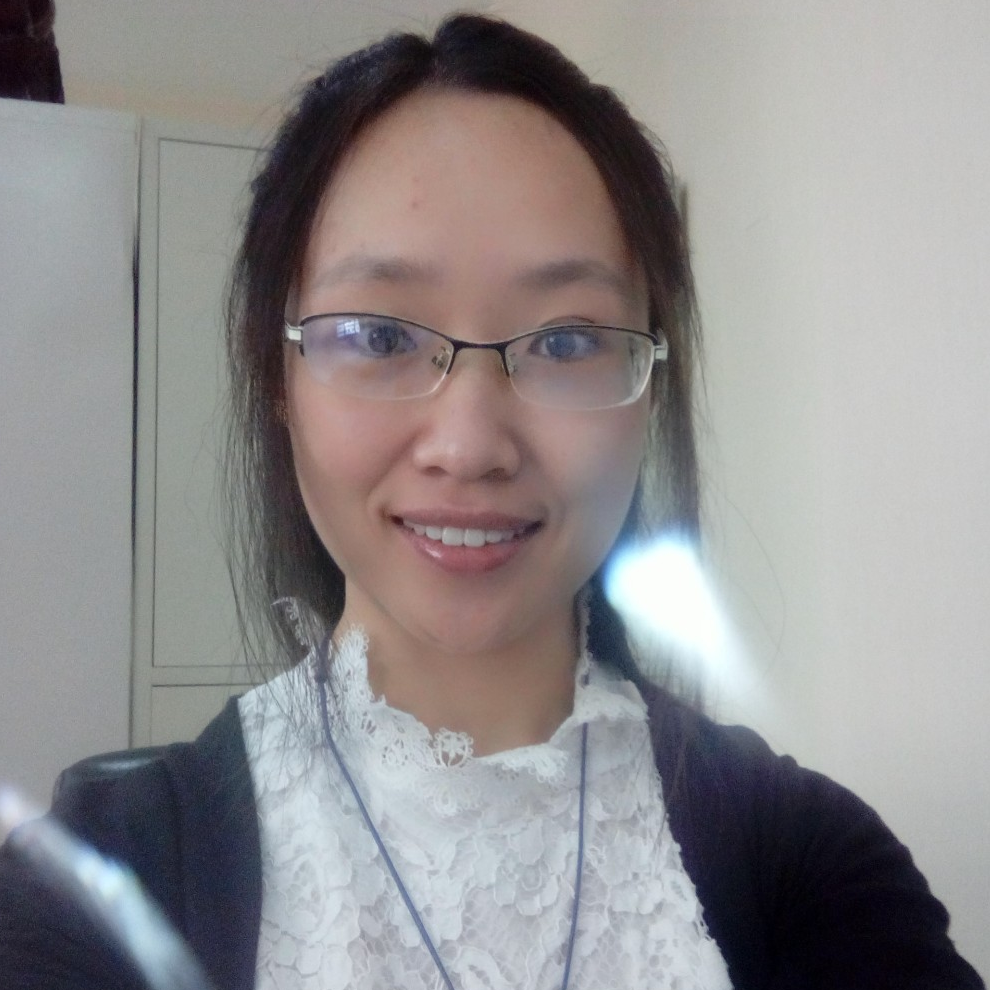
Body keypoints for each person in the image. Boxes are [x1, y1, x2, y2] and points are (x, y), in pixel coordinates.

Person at [0, 13, 984, 990]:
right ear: (277, 377)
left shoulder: (804, 861)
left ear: (650, 388)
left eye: (565, 342)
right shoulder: (95, 886)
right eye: (381, 337)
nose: (469, 446)